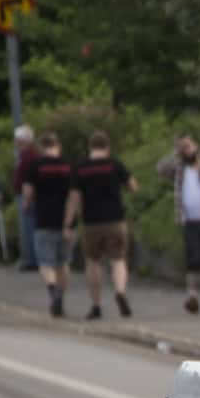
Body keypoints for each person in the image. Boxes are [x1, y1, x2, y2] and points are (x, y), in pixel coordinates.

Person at [65, 131, 138, 320]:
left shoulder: (80, 168)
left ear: (90, 147)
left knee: (93, 262)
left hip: (91, 222)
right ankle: (120, 291)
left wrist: (69, 222)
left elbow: (74, 197)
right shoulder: (114, 165)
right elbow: (133, 186)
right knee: (118, 260)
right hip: (115, 219)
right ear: (107, 147)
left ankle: (96, 305)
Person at [157, 134, 200, 314]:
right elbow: (161, 169)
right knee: (194, 258)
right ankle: (192, 295)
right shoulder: (180, 168)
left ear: (196, 146)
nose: (187, 151)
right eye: (183, 148)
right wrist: (176, 152)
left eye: (189, 146)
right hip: (190, 221)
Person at [18, 130, 73, 317]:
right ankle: (61, 296)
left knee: (46, 262)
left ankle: (52, 290)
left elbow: (27, 192)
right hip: (66, 220)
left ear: (41, 147)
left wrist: (26, 205)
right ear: (58, 146)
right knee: (63, 262)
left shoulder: (35, 166)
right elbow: (75, 193)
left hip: (43, 218)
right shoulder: (68, 166)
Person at [12, 124, 39, 272]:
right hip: (27, 195)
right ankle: (31, 258)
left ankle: (31, 260)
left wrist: (27, 200)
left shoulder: (28, 155)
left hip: (27, 196)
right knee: (30, 228)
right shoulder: (28, 154)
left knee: (29, 228)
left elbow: (28, 180)